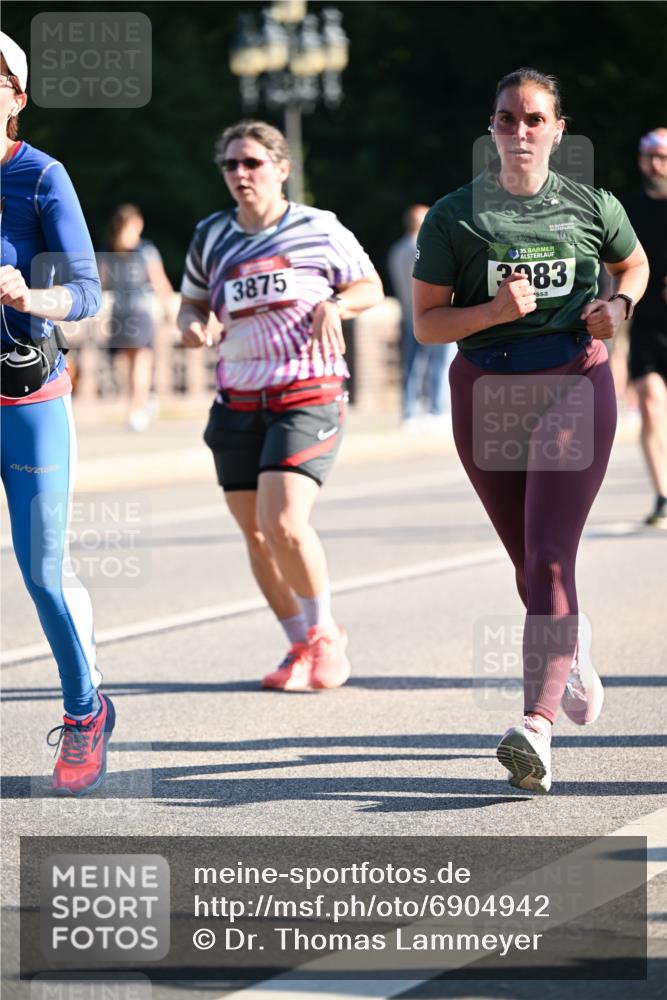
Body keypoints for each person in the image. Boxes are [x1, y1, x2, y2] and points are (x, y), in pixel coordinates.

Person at [413, 68, 649, 793]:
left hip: (573, 383)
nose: (519, 131)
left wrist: (619, 306)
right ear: (490, 129)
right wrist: (490, 312)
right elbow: (427, 324)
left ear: (557, 129)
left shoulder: (591, 203)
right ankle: (569, 645)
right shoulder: (456, 217)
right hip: (484, 390)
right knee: (526, 562)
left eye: (533, 119)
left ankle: (534, 727)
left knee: (548, 559)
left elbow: (632, 265)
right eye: (506, 119)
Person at [178, 120, 383, 691]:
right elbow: (190, 303)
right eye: (230, 165)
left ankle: (325, 637)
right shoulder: (211, 235)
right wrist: (194, 328)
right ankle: (298, 644)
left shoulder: (319, 228)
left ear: (282, 168)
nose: (241, 174)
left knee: (286, 521)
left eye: (252, 163)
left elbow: (371, 288)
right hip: (238, 395)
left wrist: (337, 306)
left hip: (307, 389)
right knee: (257, 534)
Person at [0, 32, 114, 794]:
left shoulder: (41, 177)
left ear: (17, 95)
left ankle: (84, 712)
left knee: (42, 572)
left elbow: (87, 292)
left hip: (25, 396)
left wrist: (29, 296)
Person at [623, 128, 667, 527]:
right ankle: (662, 496)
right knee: (652, 405)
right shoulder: (628, 211)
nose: (656, 166)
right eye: (650, 157)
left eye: (664, 158)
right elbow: (612, 270)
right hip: (647, 326)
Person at [101, 204, 174, 432]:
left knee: (128, 362)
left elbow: (102, 283)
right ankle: (137, 408)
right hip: (140, 310)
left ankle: (137, 402)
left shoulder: (108, 250)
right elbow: (158, 281)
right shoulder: (145, 250)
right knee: (142, 361)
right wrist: (170, 308)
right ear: (137, 224)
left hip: (119, 310)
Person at [388, 204, 451, 428]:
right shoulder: (424, 247)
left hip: (407, 313)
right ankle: (436, 408)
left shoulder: (396, 249)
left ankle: (409, 411)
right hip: (431, 313)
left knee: (412, 364)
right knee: (439, 364)